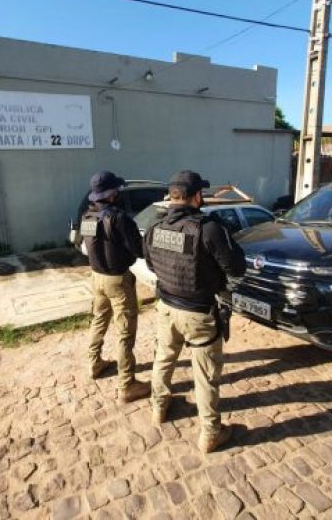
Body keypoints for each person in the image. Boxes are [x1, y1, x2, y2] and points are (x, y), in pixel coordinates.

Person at [144, 170, 246, 453]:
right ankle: (211, 433)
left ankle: (158, 408)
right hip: (199, 313)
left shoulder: (155, 226)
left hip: (166, 308)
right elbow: (237, 267)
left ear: (172, 196)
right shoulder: (209, 228)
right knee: (205, 375)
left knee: (163, 359)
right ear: (197, 196)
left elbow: (151, 265)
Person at [81, 171, 151, 403]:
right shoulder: (120, 218)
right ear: (111, 194)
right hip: (118, 281)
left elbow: (88, 246)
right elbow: (139, 250)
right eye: (117, 190)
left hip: (96, 277)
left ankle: (94, 363)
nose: (119, 193)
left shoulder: (87, 216)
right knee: (125, 332)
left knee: (99, 320)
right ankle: (127, 384)